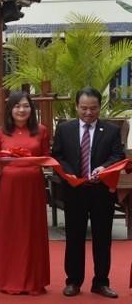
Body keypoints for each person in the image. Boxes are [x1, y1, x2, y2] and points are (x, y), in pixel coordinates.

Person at [52, 87, 124, 299]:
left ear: (99, 108)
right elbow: (57, 156)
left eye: (93, 108)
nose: (88, 113)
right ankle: (73, 281)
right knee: (74, 237)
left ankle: (101, 282)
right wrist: (69, 174)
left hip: (102, 191)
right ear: (76, 107)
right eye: (84, 108)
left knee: (103, 238)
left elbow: (117, 155)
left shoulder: (110, 130)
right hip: (75, 190)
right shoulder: (65, 129)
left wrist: (105, 167)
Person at [0, 91, 50, 294]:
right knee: (11, 231)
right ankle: (9, 279)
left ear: (31, 109)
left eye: (25, 106)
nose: (21, 110)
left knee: (32, 231)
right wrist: (5, 161)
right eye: (17, 106)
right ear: (10, 109)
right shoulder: (0, 132)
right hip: (10, 188)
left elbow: (46, 159)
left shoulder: (41, 131)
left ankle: (33, 280)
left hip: (33, 188)